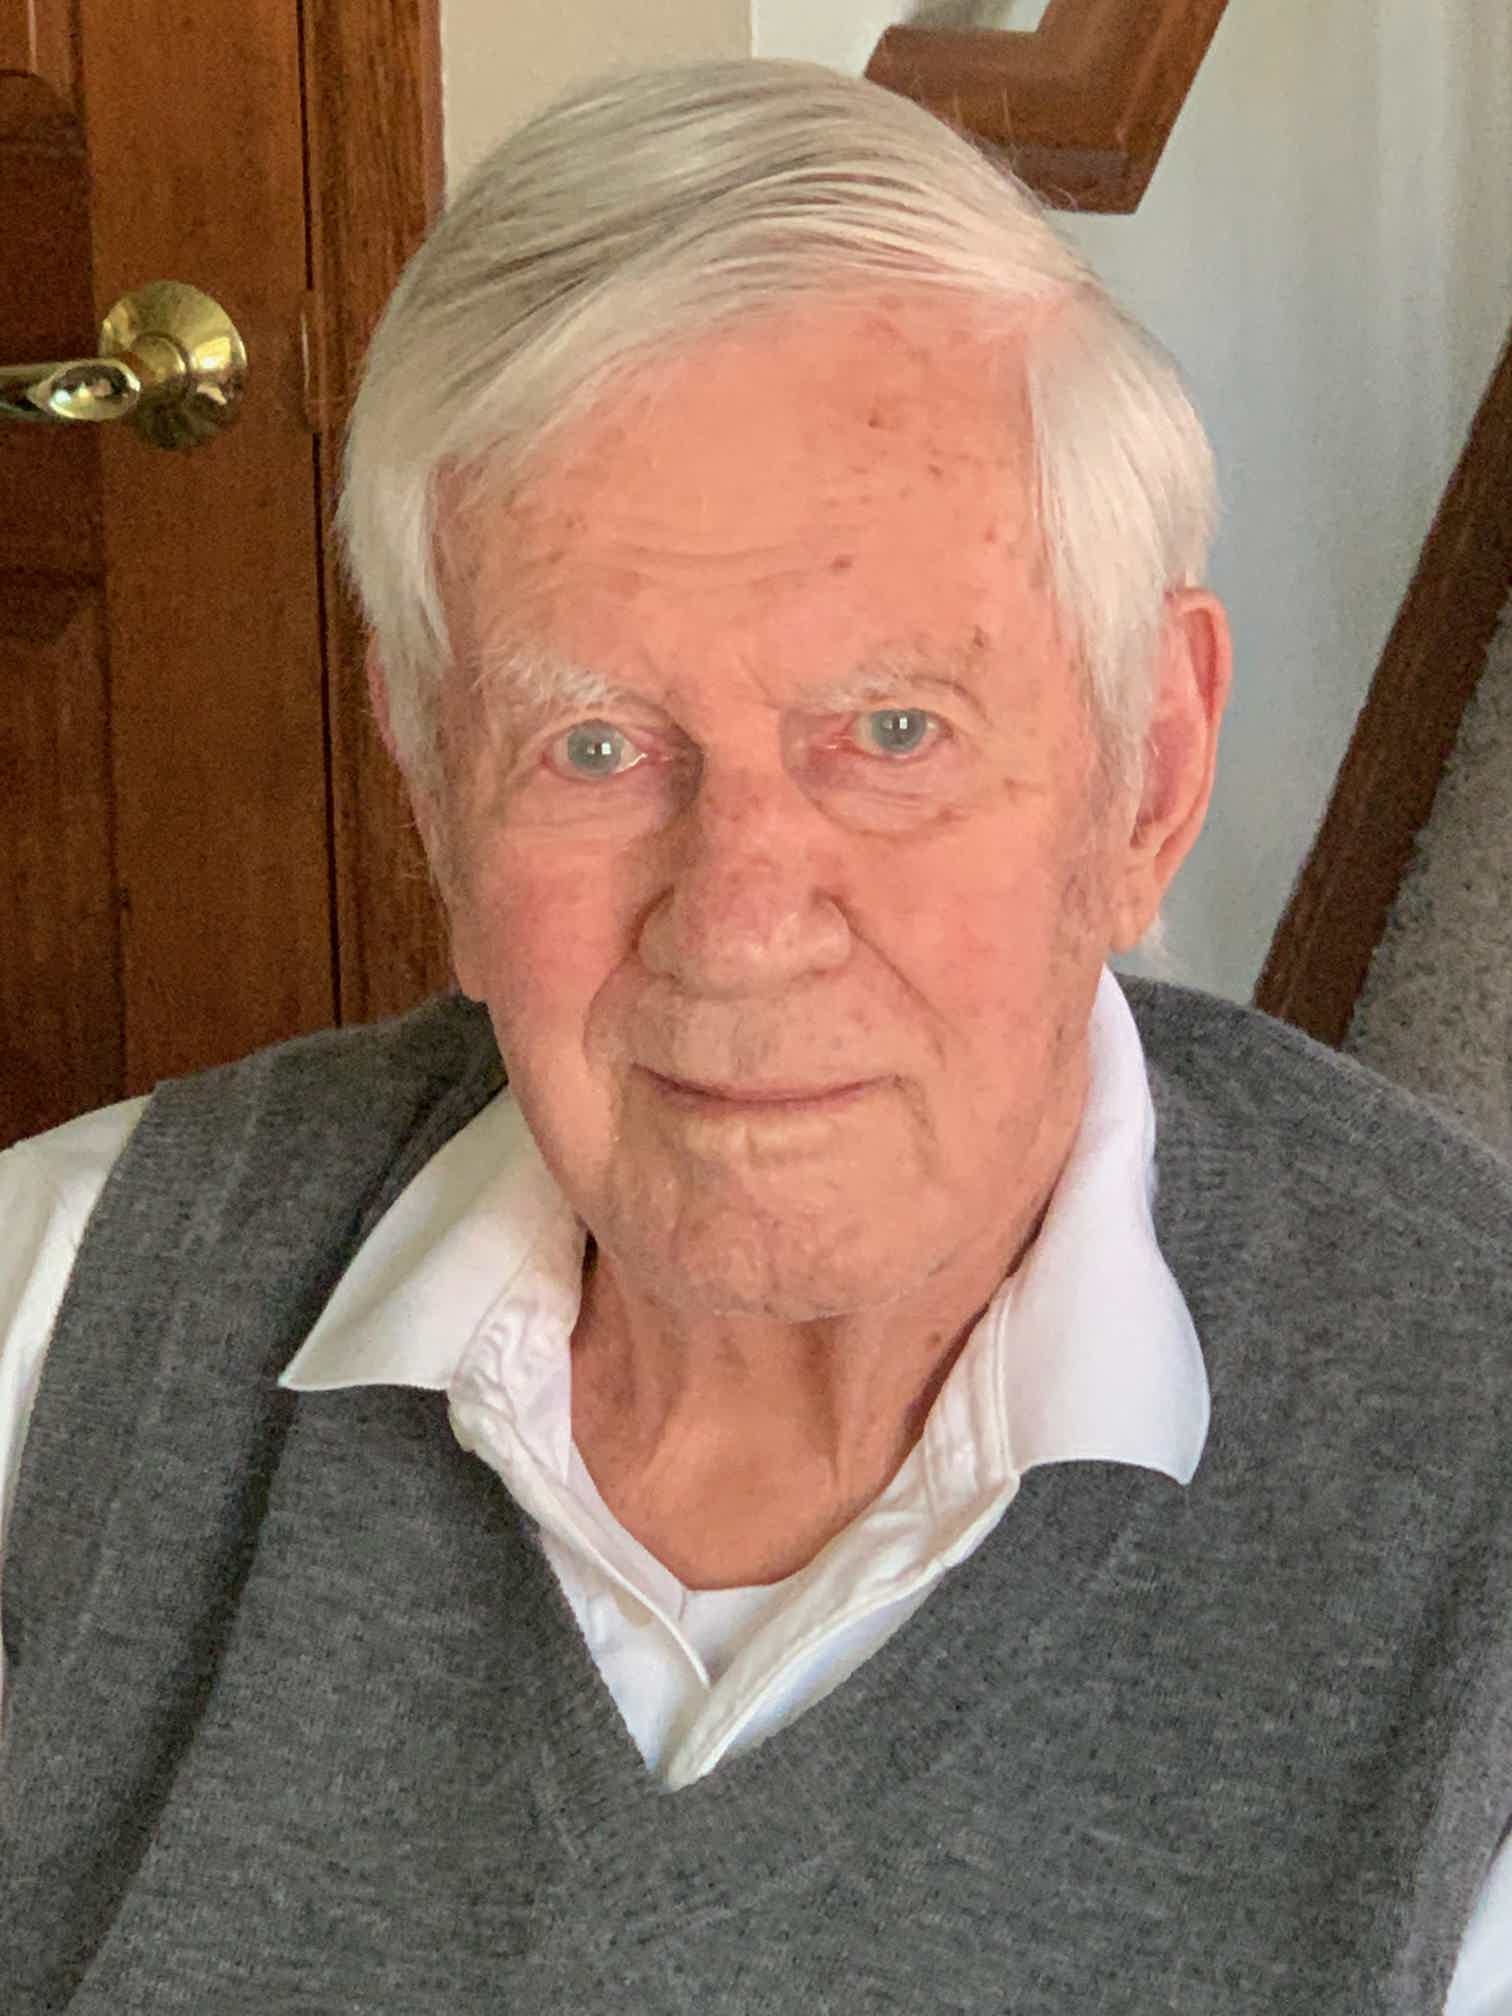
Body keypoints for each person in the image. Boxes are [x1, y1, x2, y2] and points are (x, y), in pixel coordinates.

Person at [2, 59, 1510, 2015]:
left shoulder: (1464, 1506)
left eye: (891, 732)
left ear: (1146, 776)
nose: (737, 920)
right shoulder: (70, 1313)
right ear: (432, 786)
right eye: (596, 746)